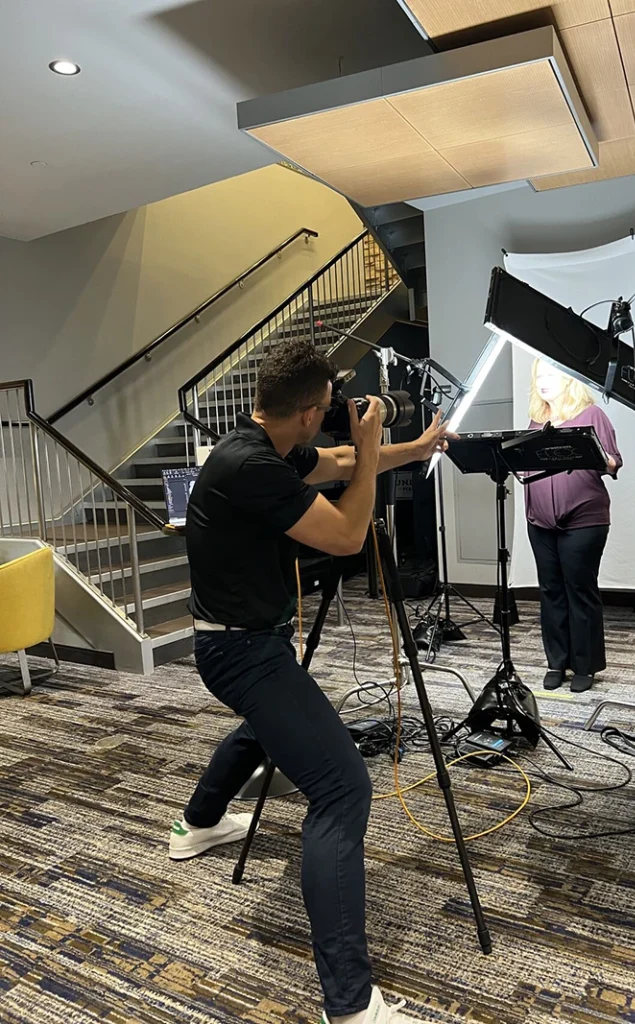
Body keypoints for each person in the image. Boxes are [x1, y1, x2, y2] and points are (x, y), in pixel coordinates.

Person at [168, 339, 454, 1024]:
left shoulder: (258, 443)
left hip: (241, 645)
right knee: (341, 789)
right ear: (305, 410)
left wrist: (409, 448)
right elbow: (350, 535)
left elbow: (340, 462)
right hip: (243, 654)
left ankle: (195, 825)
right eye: (325, 411)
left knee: (267, 724)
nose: (330, 423)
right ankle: (352, 1007)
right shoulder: (251, 470)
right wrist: (375, 437)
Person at [525, 358, 622, 694]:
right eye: (539, 376)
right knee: (550, 592)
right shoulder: (537, 421)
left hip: (583, 521)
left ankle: (585, 665)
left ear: (569, 379)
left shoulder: (591, 415)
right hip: (539, 522)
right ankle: (557, 662)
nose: (543, 382)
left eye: (551, 375)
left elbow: (612, 463)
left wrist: (595, 454)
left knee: (579, 591)